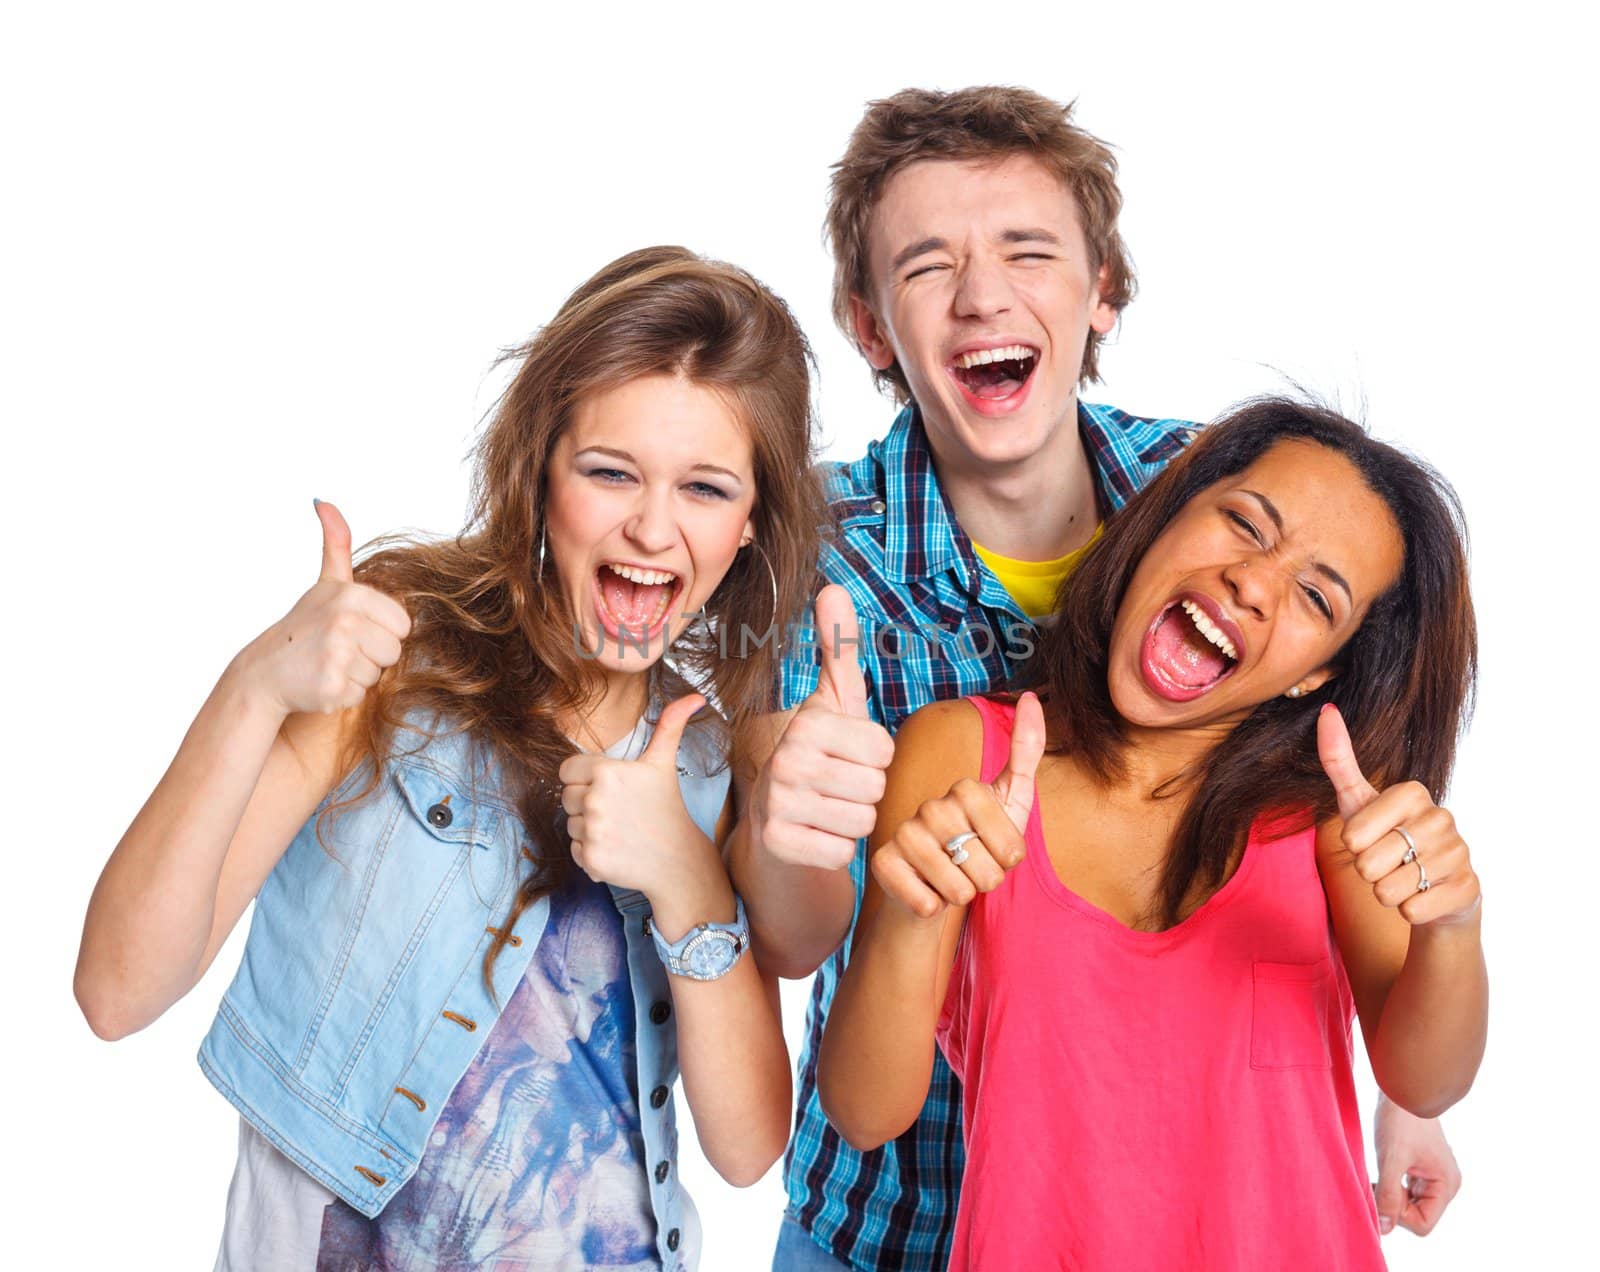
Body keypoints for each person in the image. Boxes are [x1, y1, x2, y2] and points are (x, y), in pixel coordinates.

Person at [729, 87, 1462, 1270]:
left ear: (1102, 291)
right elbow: (789, 932)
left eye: (1028, 251)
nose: (983, 294)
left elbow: (1339, 802)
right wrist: (780, 819)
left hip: (1165, 1206)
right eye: (927, 266)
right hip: (889, 1213)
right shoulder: (802, 559)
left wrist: (1401, 1077)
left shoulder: (1220, 510)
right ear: (870, 328)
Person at [73, 246, 824, 1271]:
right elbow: (117, 993)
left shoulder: (706, 761)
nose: (652, 526)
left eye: (704, 488)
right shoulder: (394, 658)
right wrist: (252, 689)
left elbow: (746, 1150)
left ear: (748, 528)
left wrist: (689, 877)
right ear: (540, 471)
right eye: (610, 472)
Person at [817, 398, 1486, 1269]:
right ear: (1167, 515)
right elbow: (867, 1111)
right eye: (1245, 523)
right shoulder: (958, 751)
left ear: (1318, 671)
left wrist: (1452, 929)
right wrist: (910, 915)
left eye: (1316, 596)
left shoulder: (1328, 812)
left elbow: (1425, 1079)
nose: (1254, 581)